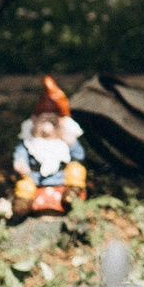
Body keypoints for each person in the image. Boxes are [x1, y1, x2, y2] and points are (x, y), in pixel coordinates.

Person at [11, 75, 90, 216]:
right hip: (35, 178)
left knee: (77, 169)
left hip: (61, 178)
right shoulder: (29, 142)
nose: (47, 130)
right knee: (24, 184)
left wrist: (72, 143)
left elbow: (79, 155)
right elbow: (20, 155)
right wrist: (20, 163)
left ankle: (72, 194)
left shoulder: (65, 140)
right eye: (43, 122)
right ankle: (23, 204)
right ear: (35, 120)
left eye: (53, 122)